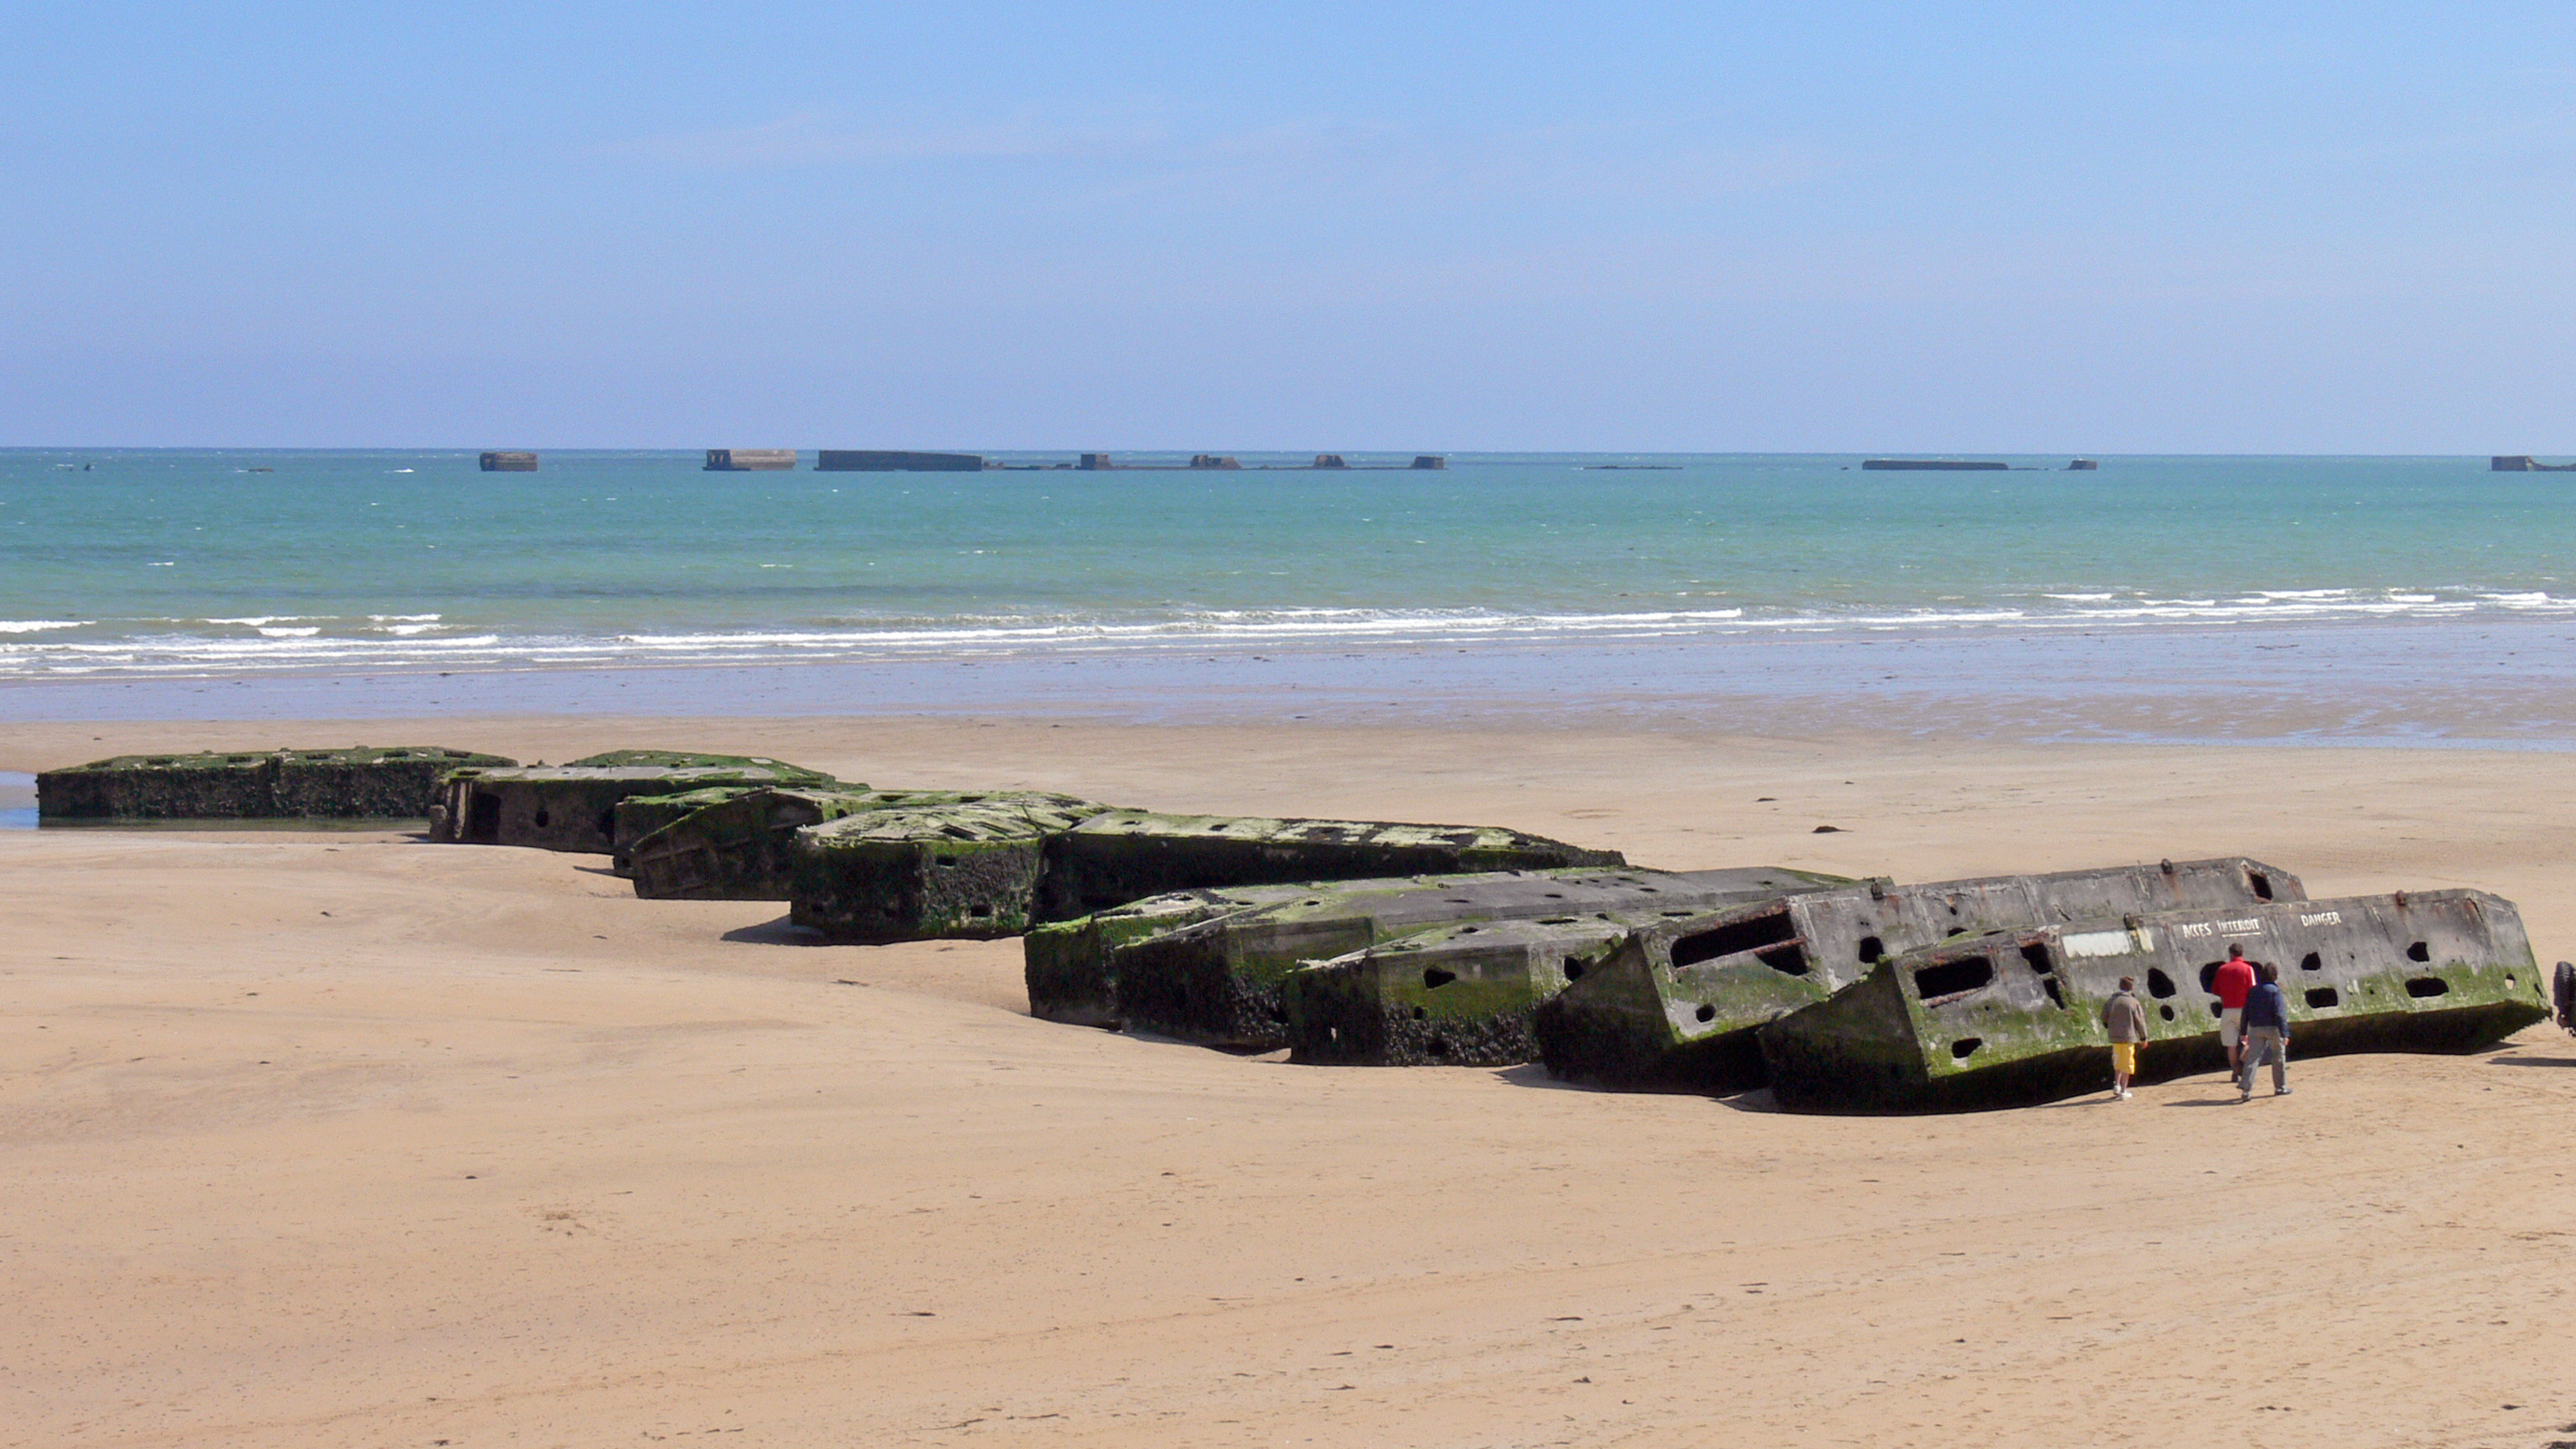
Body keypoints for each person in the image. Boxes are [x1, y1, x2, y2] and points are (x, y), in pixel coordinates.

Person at [2237, 962, 2291, 1101]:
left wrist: (2243, 1031)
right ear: (2274, 976)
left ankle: (2246, 1090)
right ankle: (2280, 1087)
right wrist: (2285, 1033)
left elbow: (2246, 1012)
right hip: (2273, 1028)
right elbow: (2280, 1014)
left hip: (2255, 1028)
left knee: (2252, 1059)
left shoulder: (2253, 991)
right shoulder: (2275, 991)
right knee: (2278, 1058)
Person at [2210, 943, 2257, 1075]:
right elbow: (2252, 990)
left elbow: (2215, 990)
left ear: (2231, 954)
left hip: (2228, 1010)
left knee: (2231, 1045)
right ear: (2242, 953)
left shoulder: (2222, 969)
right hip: (2245, 1010)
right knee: (2251, 1040)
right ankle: (2242, 1062)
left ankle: (2235, 1071)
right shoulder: (2248, 969)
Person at [2101, 975, 2148, 1100]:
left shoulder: (2111, 1001)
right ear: (2131, 988)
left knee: (2117, 1061)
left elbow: (2104, 1017)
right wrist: (2143, 1038)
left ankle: (2116, 1084)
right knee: (2127, 1063)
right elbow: (2140, 1021)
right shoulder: (2133, 1002)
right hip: (2128, 1037)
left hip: (2115, 1036)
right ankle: (2123, 1091)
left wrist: (2109, 1026)